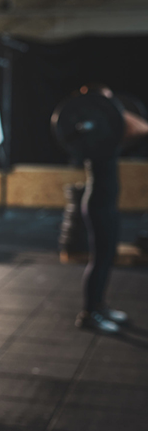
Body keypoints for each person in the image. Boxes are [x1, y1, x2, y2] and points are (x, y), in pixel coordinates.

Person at [74, 84, 148, 333]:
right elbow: (140, 127)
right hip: (98, 204)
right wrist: (110, 111)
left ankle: (100, 307)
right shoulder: (97, 133)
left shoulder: (107, 131)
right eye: (107, 101)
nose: (113, 104)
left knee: (106, 259)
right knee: (100, 260)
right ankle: (89, 314)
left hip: (105, 202)